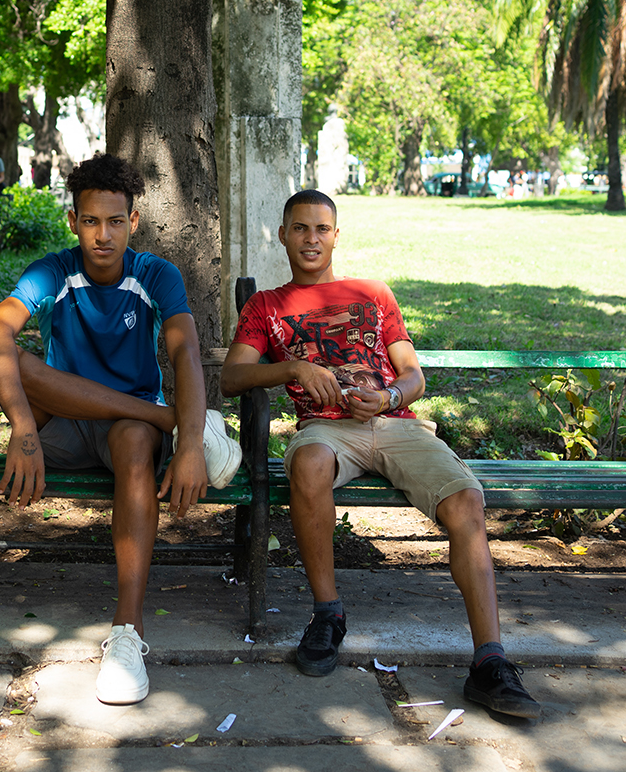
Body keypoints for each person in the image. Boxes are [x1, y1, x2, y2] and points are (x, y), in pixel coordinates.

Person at [220, 189, 540, 719]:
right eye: (300, 228)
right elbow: (233, 376)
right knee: (307, 463)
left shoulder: (373, 293)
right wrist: (294, 369)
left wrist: (390, 396)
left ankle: (490, 661)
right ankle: (328, 614)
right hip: (327, 429)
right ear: (282, 235)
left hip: (394, 422)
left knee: (465, 501)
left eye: (321, 229)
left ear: (336, 236)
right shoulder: (266, 306)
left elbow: (413, 375)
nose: (311, 239)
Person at [0, 153, 241, 705]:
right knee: (16, 358)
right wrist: (23, 432)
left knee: (138, 442)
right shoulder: (52, 271)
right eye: (90, 221)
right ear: (73, 220)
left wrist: (188, 445)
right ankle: (167, 418)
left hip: (128, 428)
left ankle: (127, 633)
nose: (102, 235)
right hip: (65, 427)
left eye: (115, 221)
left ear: (133, 222)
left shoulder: (154, 275)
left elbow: (185, 349)